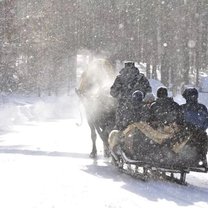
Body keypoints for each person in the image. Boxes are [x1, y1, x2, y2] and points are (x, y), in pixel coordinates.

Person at [110, 62, 152, 130]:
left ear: (125, 66)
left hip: (123, 108)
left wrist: (121, 95)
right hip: (140, 107)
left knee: (120, 128)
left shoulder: (120, 78)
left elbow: (113, 92)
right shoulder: (141, 77)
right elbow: (149, 90)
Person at [180, 88, 208, 166]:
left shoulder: (182, 108)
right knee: (203, 141)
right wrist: (200, 129)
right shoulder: (202, 107)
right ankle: (202, 158)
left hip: (186, 133)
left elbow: (178, 121)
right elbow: (206, 122)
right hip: (199, 134)